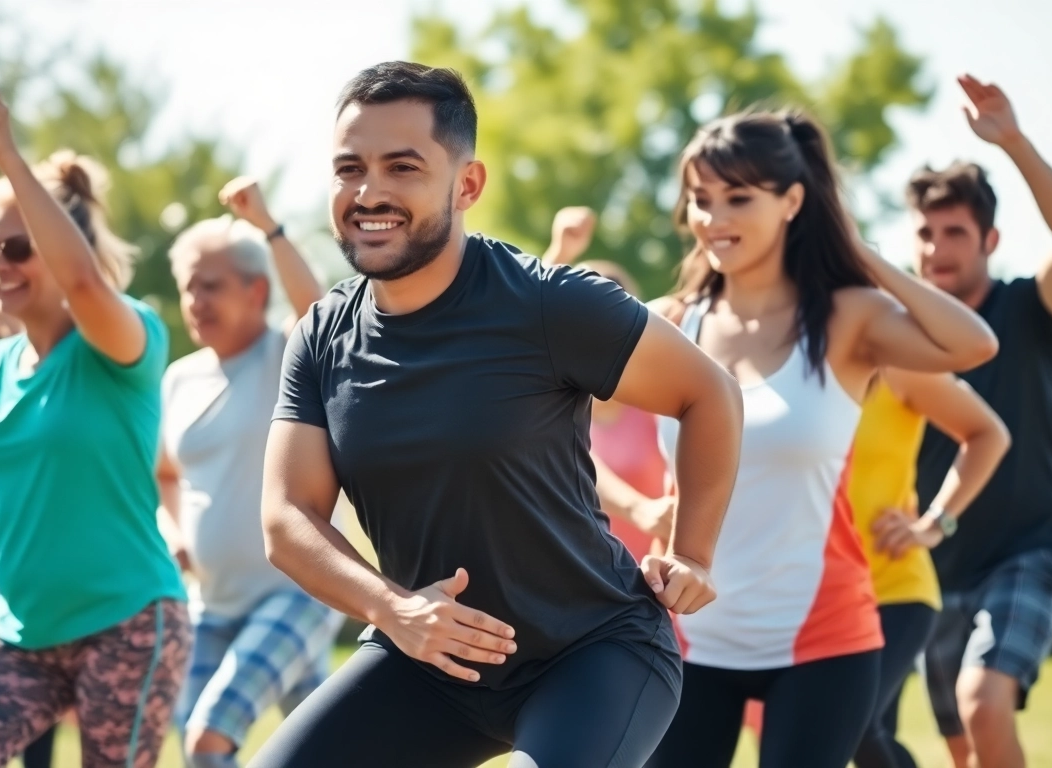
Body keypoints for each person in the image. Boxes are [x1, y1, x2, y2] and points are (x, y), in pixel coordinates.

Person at [249, 61, 744, 768]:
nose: (369, 193)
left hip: (594, 652)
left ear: (467, 184)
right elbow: (288, 516)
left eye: (403, 167)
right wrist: (394, 608)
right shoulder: (323, 335)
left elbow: (711, 393)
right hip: (430, 662)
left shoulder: (548, 303)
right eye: (349, 168)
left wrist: (693, 551)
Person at [642, 107, 998, 768]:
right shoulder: (671, 323)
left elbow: (974, 344)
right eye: (700, 199)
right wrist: (637, 508)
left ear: (793, 201)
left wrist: (857, 253)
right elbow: (560, 404)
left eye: (738, 198)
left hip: (824, 641)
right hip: (690, 640)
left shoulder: (847, 318)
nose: (713, 219)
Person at [0, 72, 191, 768]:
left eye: (20, 246)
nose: (1, 264)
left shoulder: (126, 339)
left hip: (128, 622)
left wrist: (11, 159)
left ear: (59, 243)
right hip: (22, 633)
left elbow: (82, 285)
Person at [909, 75, 1052, 768]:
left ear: (990, 238)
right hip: (934, 567)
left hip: (1030, 552)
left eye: (955, 232)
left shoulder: (1030, 310)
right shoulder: (899, 334)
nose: (937, 249)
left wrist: (1014, 143)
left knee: (983, 703)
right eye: (925, 234)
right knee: (965, 750)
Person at [156, 178, 341, 768]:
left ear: (257, 290)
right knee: (336, 750)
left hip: (297, 591)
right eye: (188, 288)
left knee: (211, 734)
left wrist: (269, 226)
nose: (195, 302)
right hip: (212, 602)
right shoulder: (179, 378)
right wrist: (176, 532)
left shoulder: (284, 355)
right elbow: (165, 474)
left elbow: (317, 309)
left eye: (210, 287)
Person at [850, 368, 1010, 768]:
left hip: (896, 590)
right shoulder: (793, 361)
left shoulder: (897, 369)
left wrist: (936, 523)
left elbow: (988, 434)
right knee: (865, 733)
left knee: (854, 723)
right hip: (821, 596)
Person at [541, 207, 673, 560]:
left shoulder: (657, 406)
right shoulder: (549, 409)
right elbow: (528, 329)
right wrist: (560, 254)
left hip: (654, 588)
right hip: (581, 589)